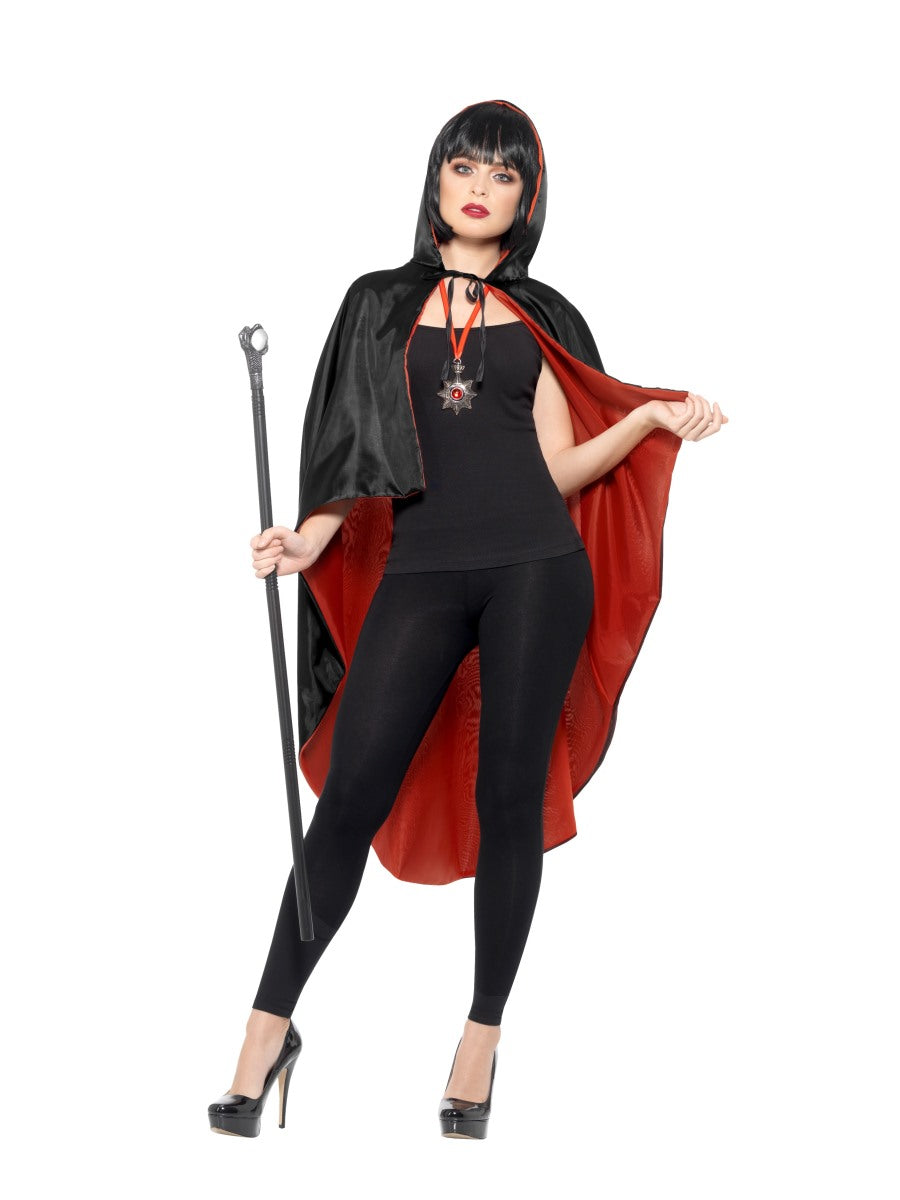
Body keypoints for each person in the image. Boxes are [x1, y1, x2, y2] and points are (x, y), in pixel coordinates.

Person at [208, 99, 727, 1141]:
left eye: (503, 172)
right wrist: (308, 540)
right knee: (347, 802)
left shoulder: (542, 316)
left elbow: (557, 469)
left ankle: (480, 1040)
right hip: (424, 570)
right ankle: (266, 1033)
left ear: (527, 198)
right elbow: (354, 450)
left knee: (508, 802)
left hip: (539, 570)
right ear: (436, 180)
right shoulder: (378, 305)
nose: (480, 186)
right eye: (463, 166)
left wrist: (641, 418)